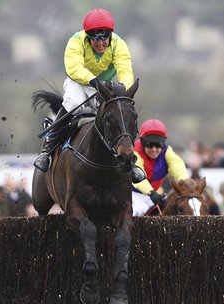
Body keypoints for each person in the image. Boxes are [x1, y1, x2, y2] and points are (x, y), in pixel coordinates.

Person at [33, 8, 144, 183]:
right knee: (73, 102)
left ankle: (131, 163)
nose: (100, 42)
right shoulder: (75, 41)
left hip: (105, 86)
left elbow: (125, 69)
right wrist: (92, 81)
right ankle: (47, 151)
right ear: (88, 36)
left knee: (120, 113)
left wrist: (124, 89)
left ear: (110, 35)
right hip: (78, 82)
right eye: (95, 37)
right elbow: (74, 67)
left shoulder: (119, 44)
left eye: (104, 37)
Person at [131, 119, 189, 216]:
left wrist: (184, 184)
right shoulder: (135, 152)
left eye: (158, 145)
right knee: (139, 210)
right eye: (149, 145)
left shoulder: (167, 151)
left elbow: (177, 166)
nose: (154, 150)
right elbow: (138, 177)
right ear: (142, 142)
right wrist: (151, 192)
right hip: (132, 194)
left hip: (153, 195)